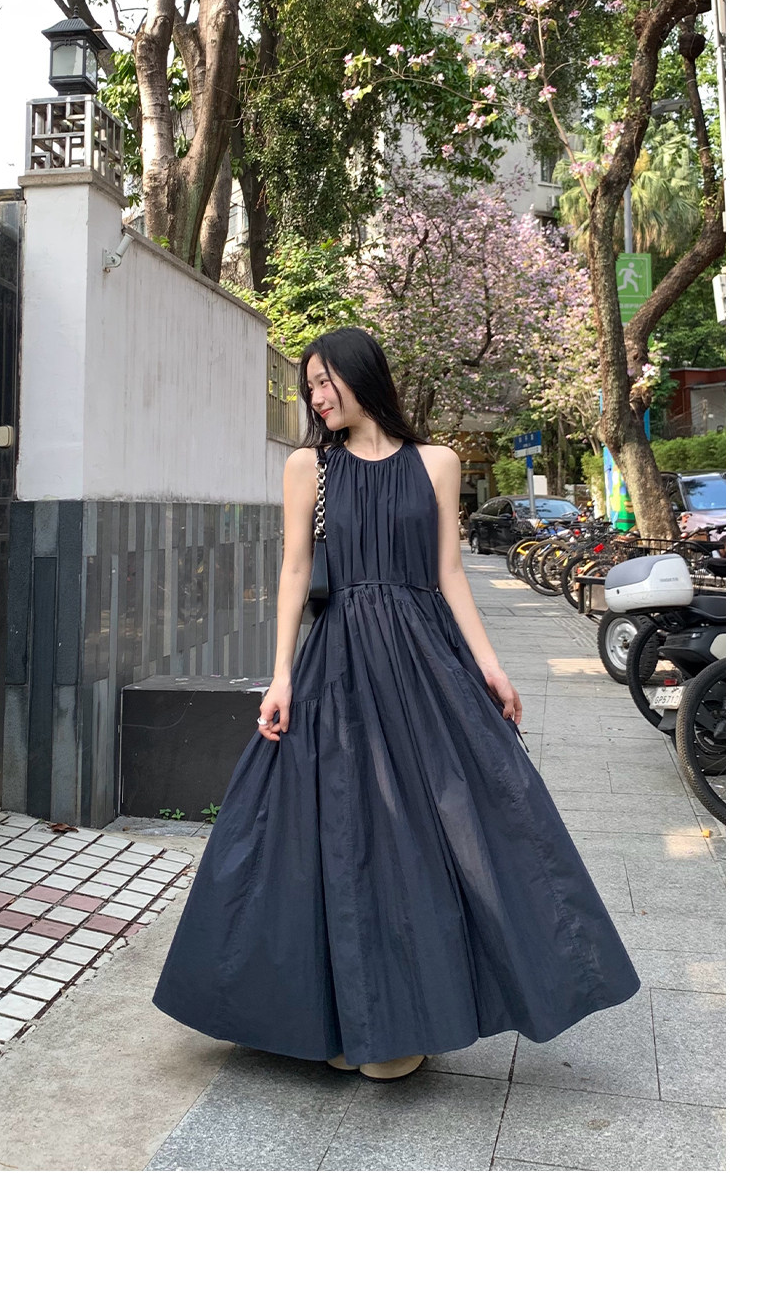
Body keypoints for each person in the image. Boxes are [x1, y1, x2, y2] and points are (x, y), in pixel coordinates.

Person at [152, 328, 640, 1082]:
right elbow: (294, 571)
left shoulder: (437, 462)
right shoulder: (308, 466)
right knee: (337, 826)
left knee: (445, 821)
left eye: (326, 381)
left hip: (424, 661)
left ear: (362, 376)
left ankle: (406, 1016)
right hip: (340, 661)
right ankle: (339, 1016)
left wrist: (490, 666)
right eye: (310, 385)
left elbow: (450, 573)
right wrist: (279, 676)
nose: (316, 396)